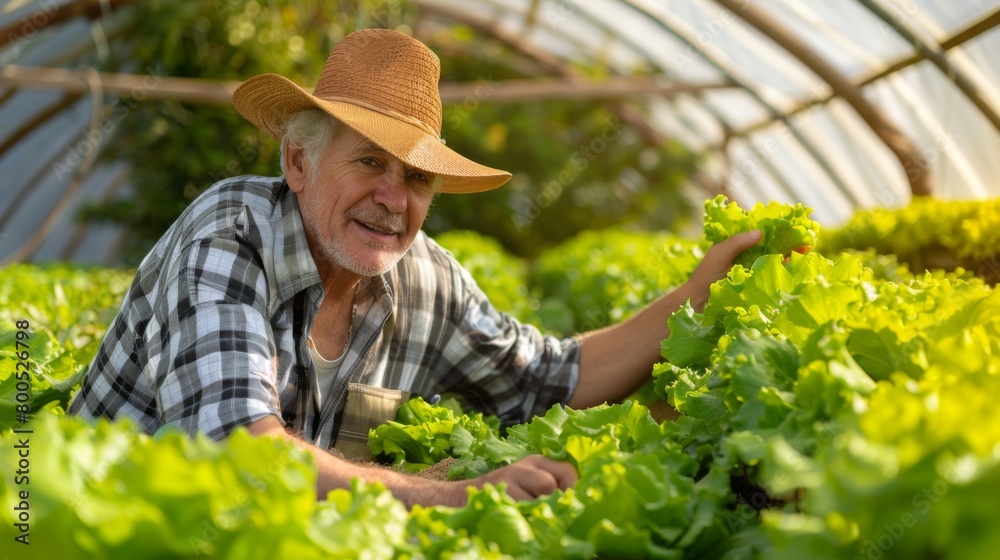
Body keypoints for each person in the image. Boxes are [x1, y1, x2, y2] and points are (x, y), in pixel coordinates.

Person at [68, 28, 760, 508]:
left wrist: (700, 294)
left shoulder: (425, 278)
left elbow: (550, 379)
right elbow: (237, 457)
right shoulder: (229, 237)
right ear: (298, 162)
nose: (394, 200)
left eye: (417, 179)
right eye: (369, 162)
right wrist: (447, 496)